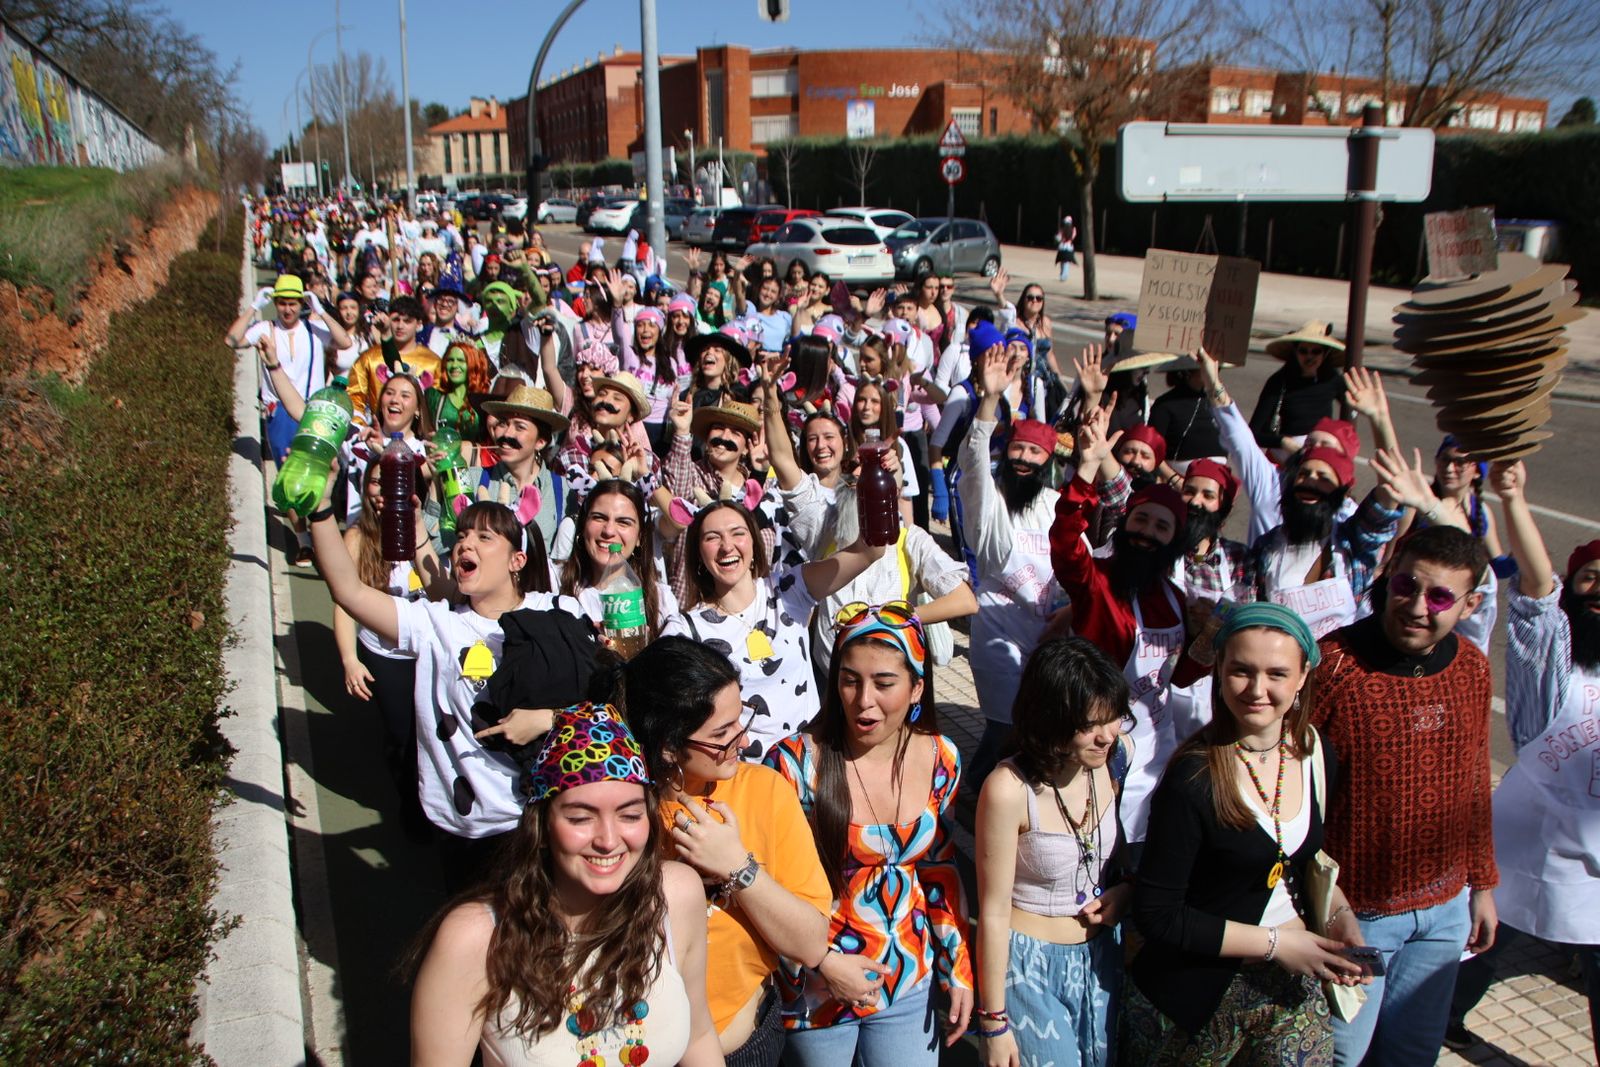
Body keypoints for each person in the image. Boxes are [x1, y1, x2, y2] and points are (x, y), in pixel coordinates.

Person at [408, 703, 724, 1066]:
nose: (608, 839)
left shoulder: (675, 896)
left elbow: (699, 1036)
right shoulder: (475, 938)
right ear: (540, 828)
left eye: (630, 815)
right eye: (580, 817)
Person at [1127, 602, 1366, 1064]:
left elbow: (1301, 862)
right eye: (1241, 671)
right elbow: (1158, 915)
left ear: (1302, 678)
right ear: (1219, 673)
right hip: (1195, 998)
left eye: (1277, 673)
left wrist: (1341, 919)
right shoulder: (1193, 778)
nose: (1258, 690)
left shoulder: (1317, 755)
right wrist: (1277, 945)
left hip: (1290, 984)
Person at [310, 489, 575, 888]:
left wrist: (547, 719)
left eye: (485, 537)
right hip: (466, 828)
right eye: (463, 536)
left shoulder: (558, 613)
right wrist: (319, 509)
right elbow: (349, 591)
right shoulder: (435, 625)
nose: (467, 543)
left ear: (517, 560)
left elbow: (605, 704)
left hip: (545, 816)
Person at [1311, 525, 1498, 1066]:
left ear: (1469, 605)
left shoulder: (1472, 668)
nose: (1418, 606)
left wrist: (1482, 885)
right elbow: (1293, 791)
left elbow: (1473, 779)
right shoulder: (1335, 666)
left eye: (1439, 596)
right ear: (1387, 580)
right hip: (1355, 916)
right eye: (1405, 587)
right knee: (1341, 1056)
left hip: (1444, 915)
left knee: (1412, 1055)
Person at [600, 639, 831, 1065]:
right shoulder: (620, 816)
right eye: (722, 735)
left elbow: (811, 943)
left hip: (749, 1045)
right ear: (669, 747)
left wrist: (738, 869)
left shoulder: (765, 791)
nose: (742, 742)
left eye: (740, 721)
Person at [764, 603, 974, 1066]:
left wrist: (956, 966)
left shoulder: (943, 758)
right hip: (816, 988)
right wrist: (824, 963)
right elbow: (768, 888)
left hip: (907, 977)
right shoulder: (794, 764)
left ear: (918, 686)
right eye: (849, 679)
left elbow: (938, 868)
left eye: (884, 683)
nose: (863, 700)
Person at [1447, 464, 1600, 1058]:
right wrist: (1513, 499)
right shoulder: (1553, 668)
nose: (1598, 592)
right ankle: (1441, 1017)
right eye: (1589, 579)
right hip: (1527, 843)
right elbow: (1536, 596)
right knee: (1484, 941)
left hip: (1592, 866)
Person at [974, 637, 1131, 1067]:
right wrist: (993, 1022)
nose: (1106, 736)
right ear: (1051, 720)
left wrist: (1125, 891)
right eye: (1088, 725)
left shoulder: (1115, 759)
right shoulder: (1009, 789)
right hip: (1029, 969)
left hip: (1101, 959)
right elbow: (992, 911)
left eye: (1113, 718)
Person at [1049, 402, 1193, 851]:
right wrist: (1085, 473)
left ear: (1173, 540)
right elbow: (1066, 544)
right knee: (1095, 841)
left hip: (1158, 742)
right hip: (1101, 743)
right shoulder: (1098, 582)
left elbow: (1179, 675)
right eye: (1140, 520)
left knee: (1145, 840)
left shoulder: (1176, 599)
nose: (1146, 533)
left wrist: (1207, 650)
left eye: (1160, 527)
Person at [674, 499, 885, 756]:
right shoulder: (686, 629)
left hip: (814, 762)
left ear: (754, 541)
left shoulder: (790, 589)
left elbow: (870, 551)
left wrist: (875, 478)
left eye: (737, 533)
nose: (726, 546)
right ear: (698, 553)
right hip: (750, 777)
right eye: (712, 538)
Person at [958, 342, 1066, 788]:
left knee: (1034, 730)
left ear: (1048, 462)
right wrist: (989, 399)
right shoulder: (992, 501)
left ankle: (990, 792)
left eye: (1033, 454)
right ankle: (970, 795)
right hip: (999, 634)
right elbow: (973, 461)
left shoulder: (1056, 505)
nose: (1022, 459)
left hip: (1050, 635)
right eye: (1017, 450)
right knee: (1007, 728)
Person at [224, 273, 353, 465]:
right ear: (275, 304)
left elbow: (345, 341)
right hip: (279, 412)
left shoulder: (314, 329)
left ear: (301, 303)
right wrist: (254, 306)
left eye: (293, 303)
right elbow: (232, 340)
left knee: (313, 469)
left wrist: (322, 311)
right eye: (282, 303)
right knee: (287, 468)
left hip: (311, 410)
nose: (287, 309)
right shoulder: (265, 328)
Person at [1395, 435, 1503, 653]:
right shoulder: (1418, 504)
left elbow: (1495, 566)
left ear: (1477, 470)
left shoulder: (1480, 511)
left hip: (1454, 608)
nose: (1450, 468)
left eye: (1460, 462)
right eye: (1444, 460)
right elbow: (1391, 557)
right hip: (1417, 601)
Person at [559, 479, 685, 642]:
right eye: (599, 518)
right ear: (583, 526)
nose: (609, 531)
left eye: (623, 522)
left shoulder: (662, 600)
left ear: (639, 537)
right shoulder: (555, 581)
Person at [1249, 321, 1346, 460]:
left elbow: (1350, 410)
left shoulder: (1333, 379)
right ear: (1295, 352)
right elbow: (1253, 433)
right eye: (1303, 351)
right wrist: (1284, 442)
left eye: (1316, 351)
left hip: (1320, 453)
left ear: (1325, 353)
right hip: (1285, 456)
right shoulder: (1279, 381)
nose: (1309, 357)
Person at [1056, 216, 1077, 283]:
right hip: (1069, 247)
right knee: (1066, 262)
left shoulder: (1062, 229)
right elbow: (1073, 237)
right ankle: (1064, 276)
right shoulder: (1073, 229)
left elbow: (1058, 238)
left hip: (1062, 246)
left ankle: (1062, 275)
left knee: (1062, 262)